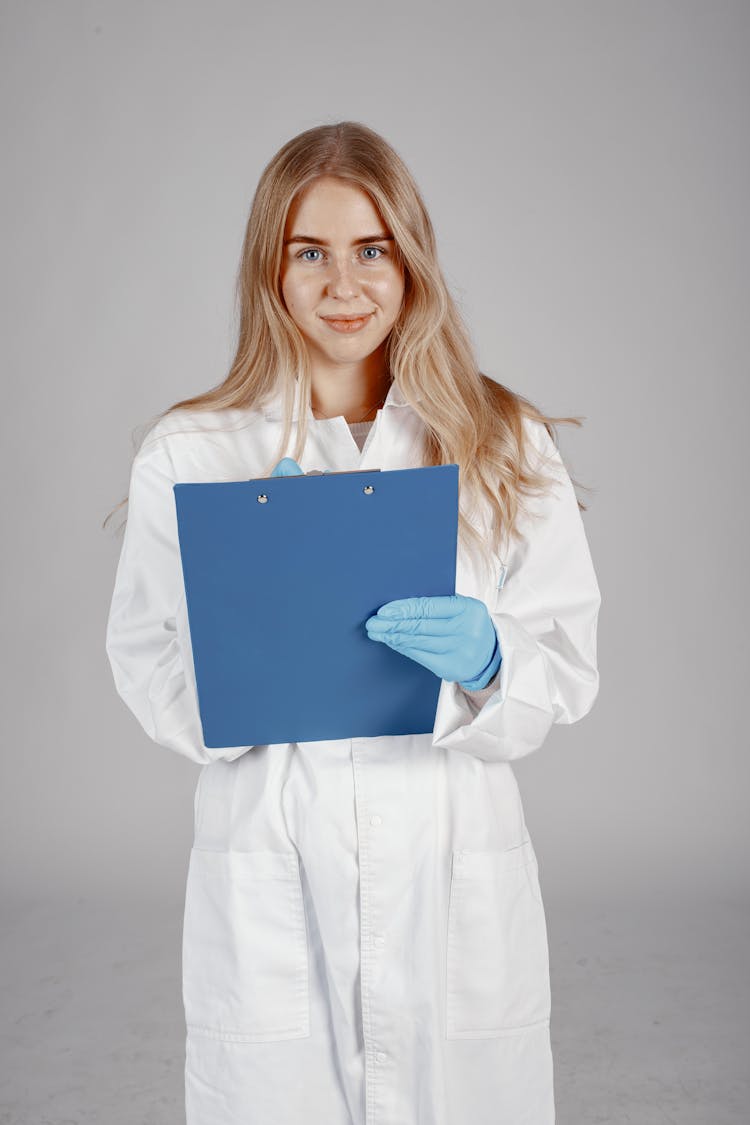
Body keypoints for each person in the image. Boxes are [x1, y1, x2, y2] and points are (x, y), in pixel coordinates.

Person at [104, 120, 601, 1125]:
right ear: (270, 271)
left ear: (411, 261)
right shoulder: (193, 453)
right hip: (277, 869)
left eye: (372, 250)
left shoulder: (504, 442)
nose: (345, 285)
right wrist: (254, 633)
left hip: (448, 862)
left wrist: (492, 658)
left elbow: (564, 667)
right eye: (310, 253)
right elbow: (148, 665)